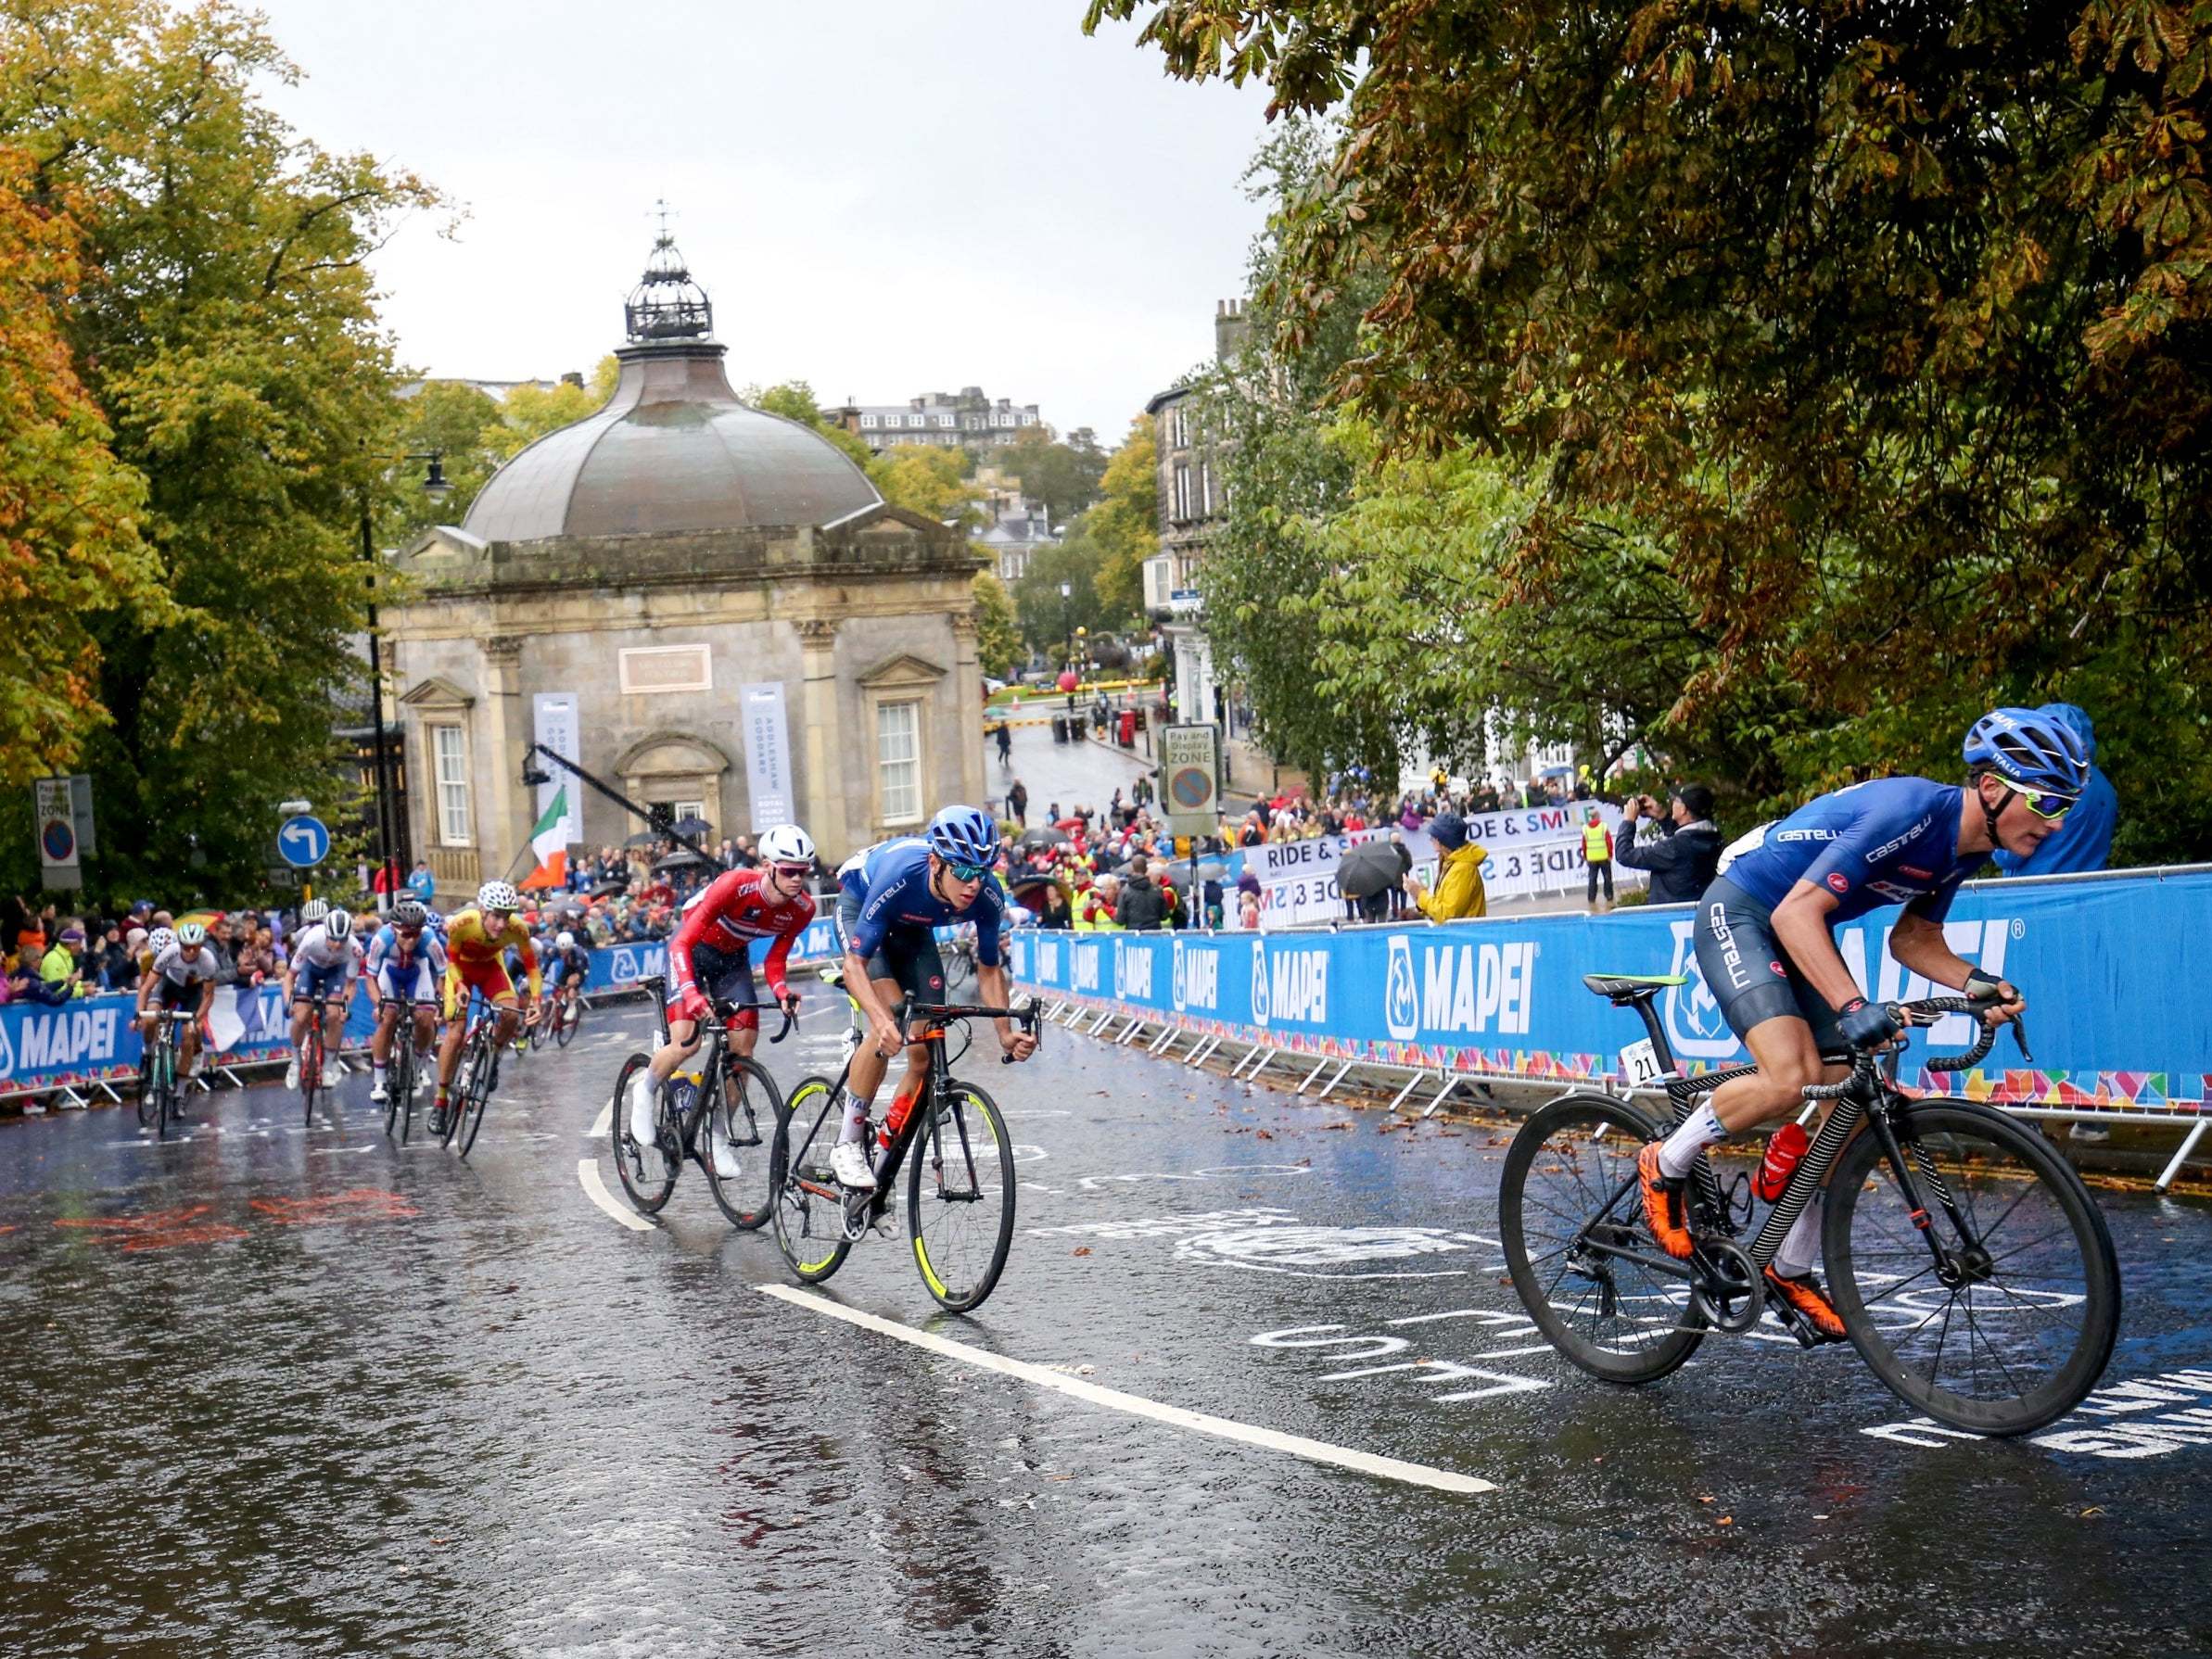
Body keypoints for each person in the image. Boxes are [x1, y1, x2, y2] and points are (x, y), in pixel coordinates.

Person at [1639, 706, 2085, 1340]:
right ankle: (1668, 1158)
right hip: (1743, 912)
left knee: (1845, 1105)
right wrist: (1854, 1007)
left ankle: (1790, 1267)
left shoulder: (1964, 850)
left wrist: (1978, 984)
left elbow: (1914, 940)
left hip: (1796, 928)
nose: (2056, 821)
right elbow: (1795, 915)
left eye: (2066, 806)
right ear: (1992, 788)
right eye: (2046, 802)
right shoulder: (1910, 814)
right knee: (1790, 1076)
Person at [830, 805, 1036, 1191]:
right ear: (935, 863)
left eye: (982, 871)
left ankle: (882, 1165)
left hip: (912, 928)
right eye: (963, 872)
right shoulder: (901, 874)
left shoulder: (987, 895)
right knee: (893, 1020)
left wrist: (1005, 1033)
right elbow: (855, 964)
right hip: (862, 908)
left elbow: (989, 968)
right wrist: (879, 1020)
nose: (973, 884)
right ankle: (848, 1143)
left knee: (922, 1056)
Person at [627, 824, 818, 1168]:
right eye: (789, 871)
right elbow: (681, 943)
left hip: (731, 960)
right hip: (691, 950)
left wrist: (781, 990)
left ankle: (716, 1135)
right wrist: (691, 992)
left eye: (803, 872)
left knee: (742, 1051)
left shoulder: (802, 909)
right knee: (687, 1043)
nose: (796, 879)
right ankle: (646, 1089)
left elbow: (775, 959)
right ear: (767, 866)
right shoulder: (735, 885)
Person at [434, 880, 539, 1135]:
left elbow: (532, 969)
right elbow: (451, 962)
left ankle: (495, 1056)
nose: (501, 925)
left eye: (506, 917)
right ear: (482, 911)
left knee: (511, 1014)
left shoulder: (518, 929)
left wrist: (536, 1002)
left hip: (491, 968)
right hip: (461, 971)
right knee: (456, 1033)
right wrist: (459, 986)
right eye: (496, 916)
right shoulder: (462, 923)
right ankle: (441, 1101)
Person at [1991, 703, 2117, 877]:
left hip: (2037, 889)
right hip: (2090, 889)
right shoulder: (2105, 787)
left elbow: (2007, 856)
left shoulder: (2045, 782)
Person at [363, 898, 447, 1104]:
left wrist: (441, 1003)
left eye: (416, 934)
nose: (411, 941)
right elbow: (370, 978)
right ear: (394, 930)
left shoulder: (429, 940)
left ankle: (417, 1068)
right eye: (406, 935)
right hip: (390, 972)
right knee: (388, 1018)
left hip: (417, 972)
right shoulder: (381, 940)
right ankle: (380, 1081)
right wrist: (379, 1005)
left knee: (426, 1019)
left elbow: (443, 976)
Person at [283, 908, 361, 1093]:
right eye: (333, 939)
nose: (337, 944)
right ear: (326, 933)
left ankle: (328, 1066)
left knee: (335, 1015)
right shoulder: (311, 939)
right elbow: (290, 976)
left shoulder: (355, 949)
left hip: (336, 972)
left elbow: (350, 984)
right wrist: (288, 1001)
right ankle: (295, 1061)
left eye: (342, 940)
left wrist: (345, 1006)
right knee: (301, 1016)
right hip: (311, 969)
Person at [136, 922, 218, 1095]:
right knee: (150, 1019)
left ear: (201, 946)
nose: (191, 951)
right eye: (186, 947)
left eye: (195, 947)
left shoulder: (208, 960)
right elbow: (146, 988)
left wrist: (196, 1019)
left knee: (189, 1034)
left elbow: (208, 996)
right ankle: (147, 1052)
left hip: (192, 992)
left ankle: (180, 1089)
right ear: (180, 944)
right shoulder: (169, 952)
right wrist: (138, 1014)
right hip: (169, 986)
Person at [1614, 785, 1723, 905]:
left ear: (1683, 809)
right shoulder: (1712, 836)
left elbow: (1624, 854)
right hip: (1698, 907)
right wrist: (1662, 816)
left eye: (1676, 800)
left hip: (1671, 912)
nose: (1672, 803)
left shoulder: (1675, 848)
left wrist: (1629, 821)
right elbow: (1687, 837)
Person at [1409, 811, 1490, 921]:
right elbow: (1442, 907)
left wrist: (1421, 895)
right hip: (1456, 931)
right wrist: (1419, 896)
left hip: (1463, 932)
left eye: (1433, 836)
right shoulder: (1450, 863)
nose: (1431, 840)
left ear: (1442, 840)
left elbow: (1447, 915)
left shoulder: (1463, 869)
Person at [1115, 859, 1167, 930]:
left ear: (1132, 869)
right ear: (1146, 869)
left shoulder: (1125, 891)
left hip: (1134, 932)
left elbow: (1120, 920)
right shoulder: (1157, 890)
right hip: (1154, 931)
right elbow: (1164, 916)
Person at [1582, 807, 1614, 910]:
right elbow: (1609, 841)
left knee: (1592, 879)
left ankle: (1591, 899)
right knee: (1607, 878)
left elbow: (1584, 844)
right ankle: (1609, 897)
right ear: (1597, 816)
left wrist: (1585, 856)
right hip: (1604, 857)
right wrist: (1610, 854)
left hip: (1592, 858)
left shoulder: (1585, 828)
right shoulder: (1603, 826)